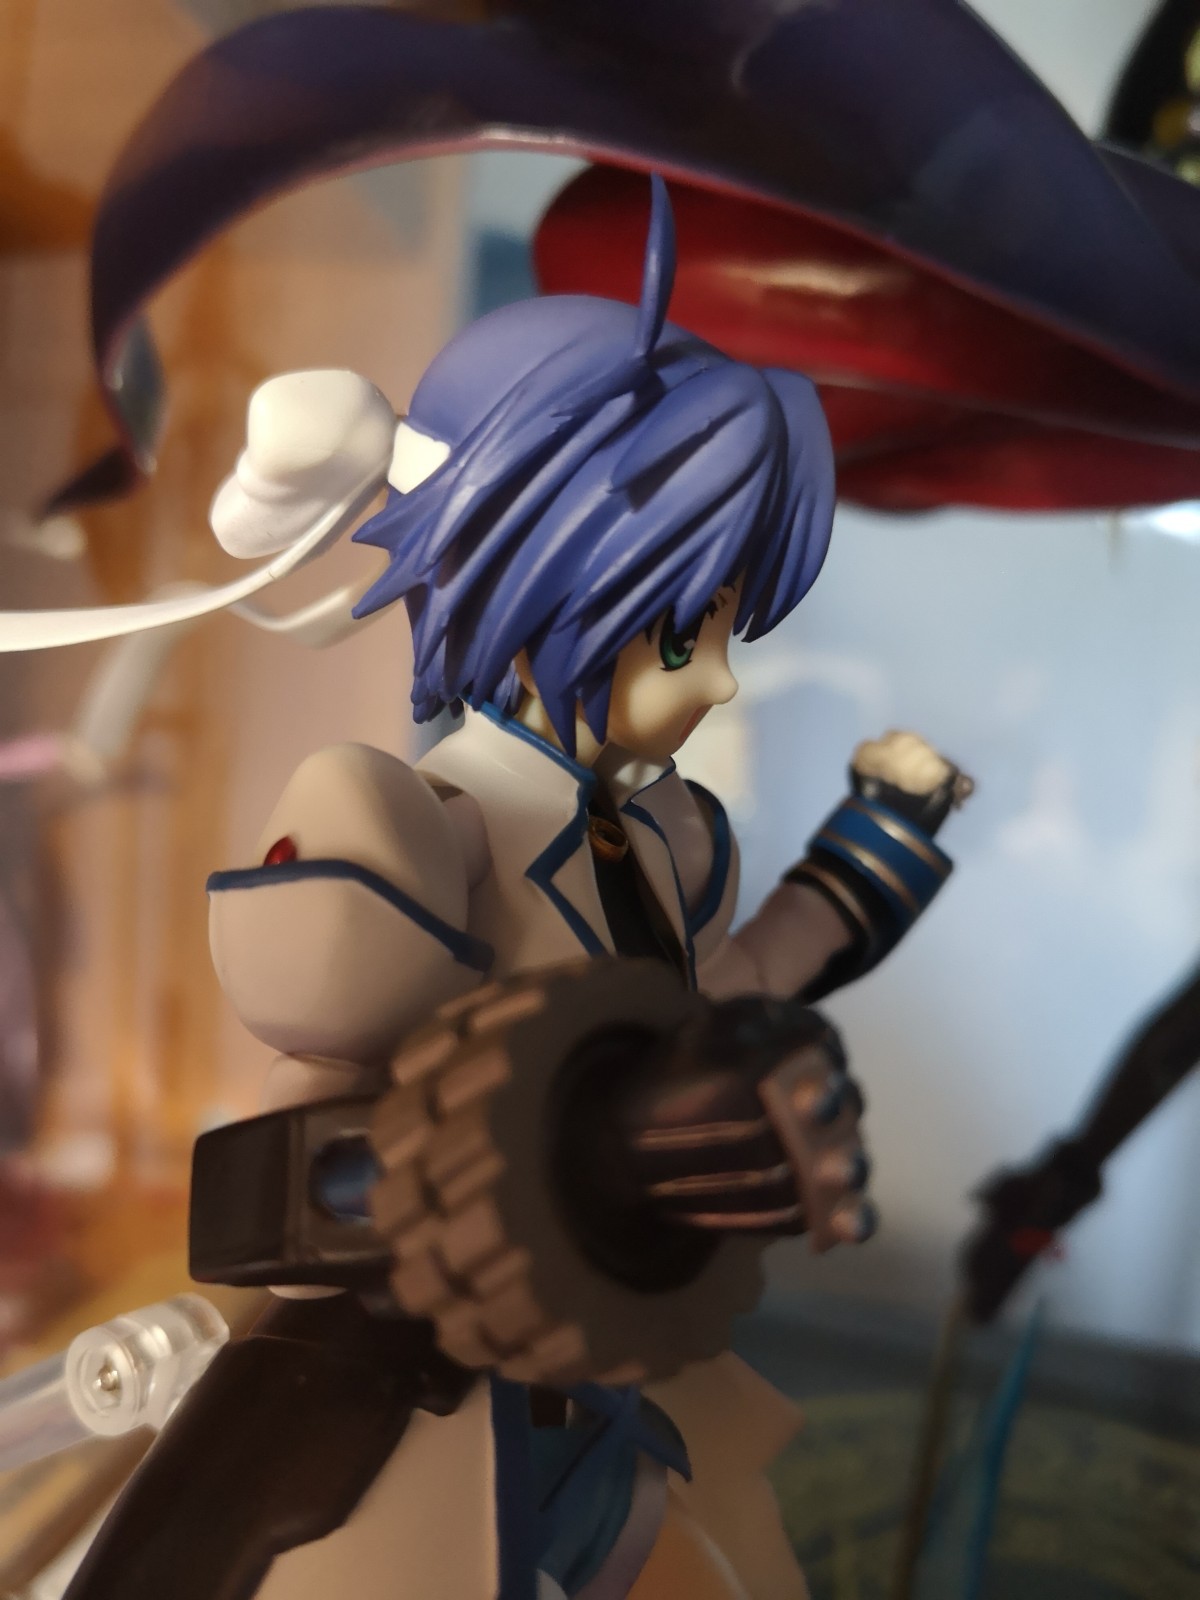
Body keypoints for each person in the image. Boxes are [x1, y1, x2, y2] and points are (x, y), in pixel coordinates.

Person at [61, 180, 970, 1600]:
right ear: (540, 592)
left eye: (726, 628)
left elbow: (738, 989)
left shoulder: (662, 847)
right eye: (686, 634)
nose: (720, 683)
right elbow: (295, 1170)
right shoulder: (418, 838)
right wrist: (605, 1152)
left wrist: (880, 841)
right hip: (416, 1410)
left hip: (620, 1389)